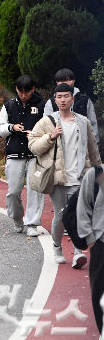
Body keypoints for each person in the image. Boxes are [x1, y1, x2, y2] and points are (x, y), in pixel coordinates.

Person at [29, 83, 102, 267]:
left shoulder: (83, 122)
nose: (63, 100)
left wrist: (98, 173)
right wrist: (50, 137)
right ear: (55, 100)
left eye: (66, 96)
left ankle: (78, 252)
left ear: (72, 99)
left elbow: (93, 151)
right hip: (58, 178)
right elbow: (33, 145)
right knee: (60, 217)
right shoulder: (47, 122)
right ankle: (56, 246)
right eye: (59, 97)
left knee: (78, 215)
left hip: (79, 177)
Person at [0, 74, 46, 237]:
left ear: (33, 89)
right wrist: (12, 127)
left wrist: (35, 134)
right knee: (13, 191)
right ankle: (17, 218)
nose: (24, 95)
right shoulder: (9, 106)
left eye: (27, 92)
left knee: (34, 189)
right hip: (14, 153)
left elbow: (49, 128)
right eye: (20, 92)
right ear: (16, 90)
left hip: (35, 154)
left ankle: (32, 223)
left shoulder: (42, 106)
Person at [77, 166, 104, 340]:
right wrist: (90, 240)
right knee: (99, 290)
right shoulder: (95, 174)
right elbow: (83, 206)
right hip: (101, 241)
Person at [44, 68, 99, 143]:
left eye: (68, 80)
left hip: (81, 143)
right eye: (61, 81)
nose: (65, 83)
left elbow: (92, 123)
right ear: (56, 82)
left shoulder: (85, 100)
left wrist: (94, 142)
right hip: (59, 144)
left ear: (74, 80)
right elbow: (46, 124)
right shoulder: (51, 102)